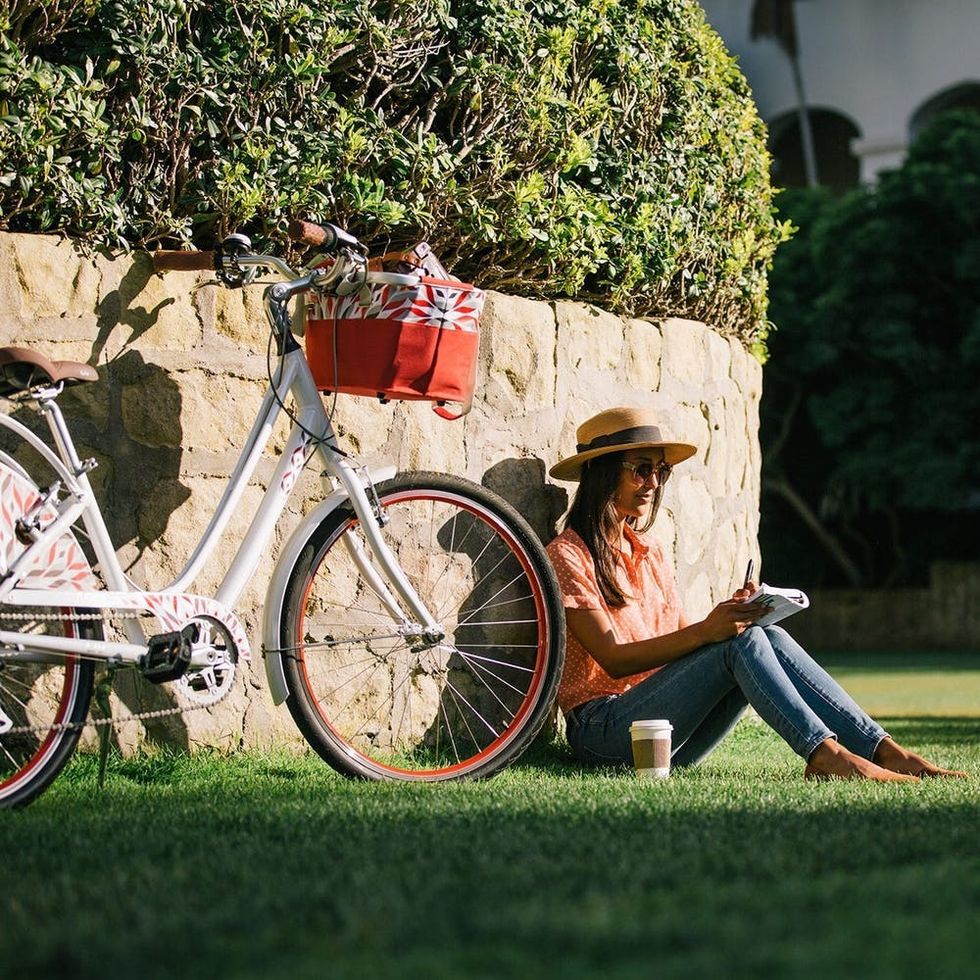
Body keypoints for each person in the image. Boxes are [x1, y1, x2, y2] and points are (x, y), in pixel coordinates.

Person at [546, 407, 965, 781]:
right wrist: (712, 633)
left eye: (661, 471)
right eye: (640, 469)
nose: (653, 482)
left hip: (669, 736)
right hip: (605, 735)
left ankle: (886, 751)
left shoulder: (649, 550)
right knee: (738, 642)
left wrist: (728, 617)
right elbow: (615, 659)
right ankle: (828, 755)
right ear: (602, 472)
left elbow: (682, 645)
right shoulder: (568, 555)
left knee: (767, 635)